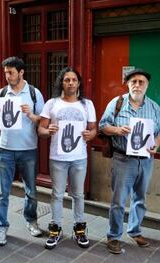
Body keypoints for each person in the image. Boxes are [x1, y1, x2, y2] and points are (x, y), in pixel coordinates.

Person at [99, 68, 160, 254]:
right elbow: (103, 125)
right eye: (133, 82)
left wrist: (156, 146)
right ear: (128, 84)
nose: (137, 85)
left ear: (147, 85)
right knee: (119, 200)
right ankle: (114, 236)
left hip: (145, 160)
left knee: (140, 198)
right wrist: (117, 130)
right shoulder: (117, 103)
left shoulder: (153, 107)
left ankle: (135, 231)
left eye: (141, 82)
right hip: (123, 158)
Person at [38, 67, 97, 249]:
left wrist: (90, 135)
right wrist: (48, 131)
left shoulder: (87, 105)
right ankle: (55, 228)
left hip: (79, 157)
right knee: (57, 194)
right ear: (61, 83)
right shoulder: (51, 103)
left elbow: (94, 129)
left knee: (78, 194)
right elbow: (40, 130)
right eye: (66, 80)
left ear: (78, 83)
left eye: (73, 80)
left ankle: (79, 229)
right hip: (58, 157)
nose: (70, 83)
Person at [0, 56, 45, 245]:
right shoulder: (2, 93)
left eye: (10, 72)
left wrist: (30, 114)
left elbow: (43, 121)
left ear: (21, 72)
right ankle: (2, 227)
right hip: (5, 148)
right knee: (1, 192)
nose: (7, 76)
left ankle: (31, 221)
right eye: (5, 72)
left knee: (31, 190)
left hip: (28, 148)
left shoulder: (34, 93)